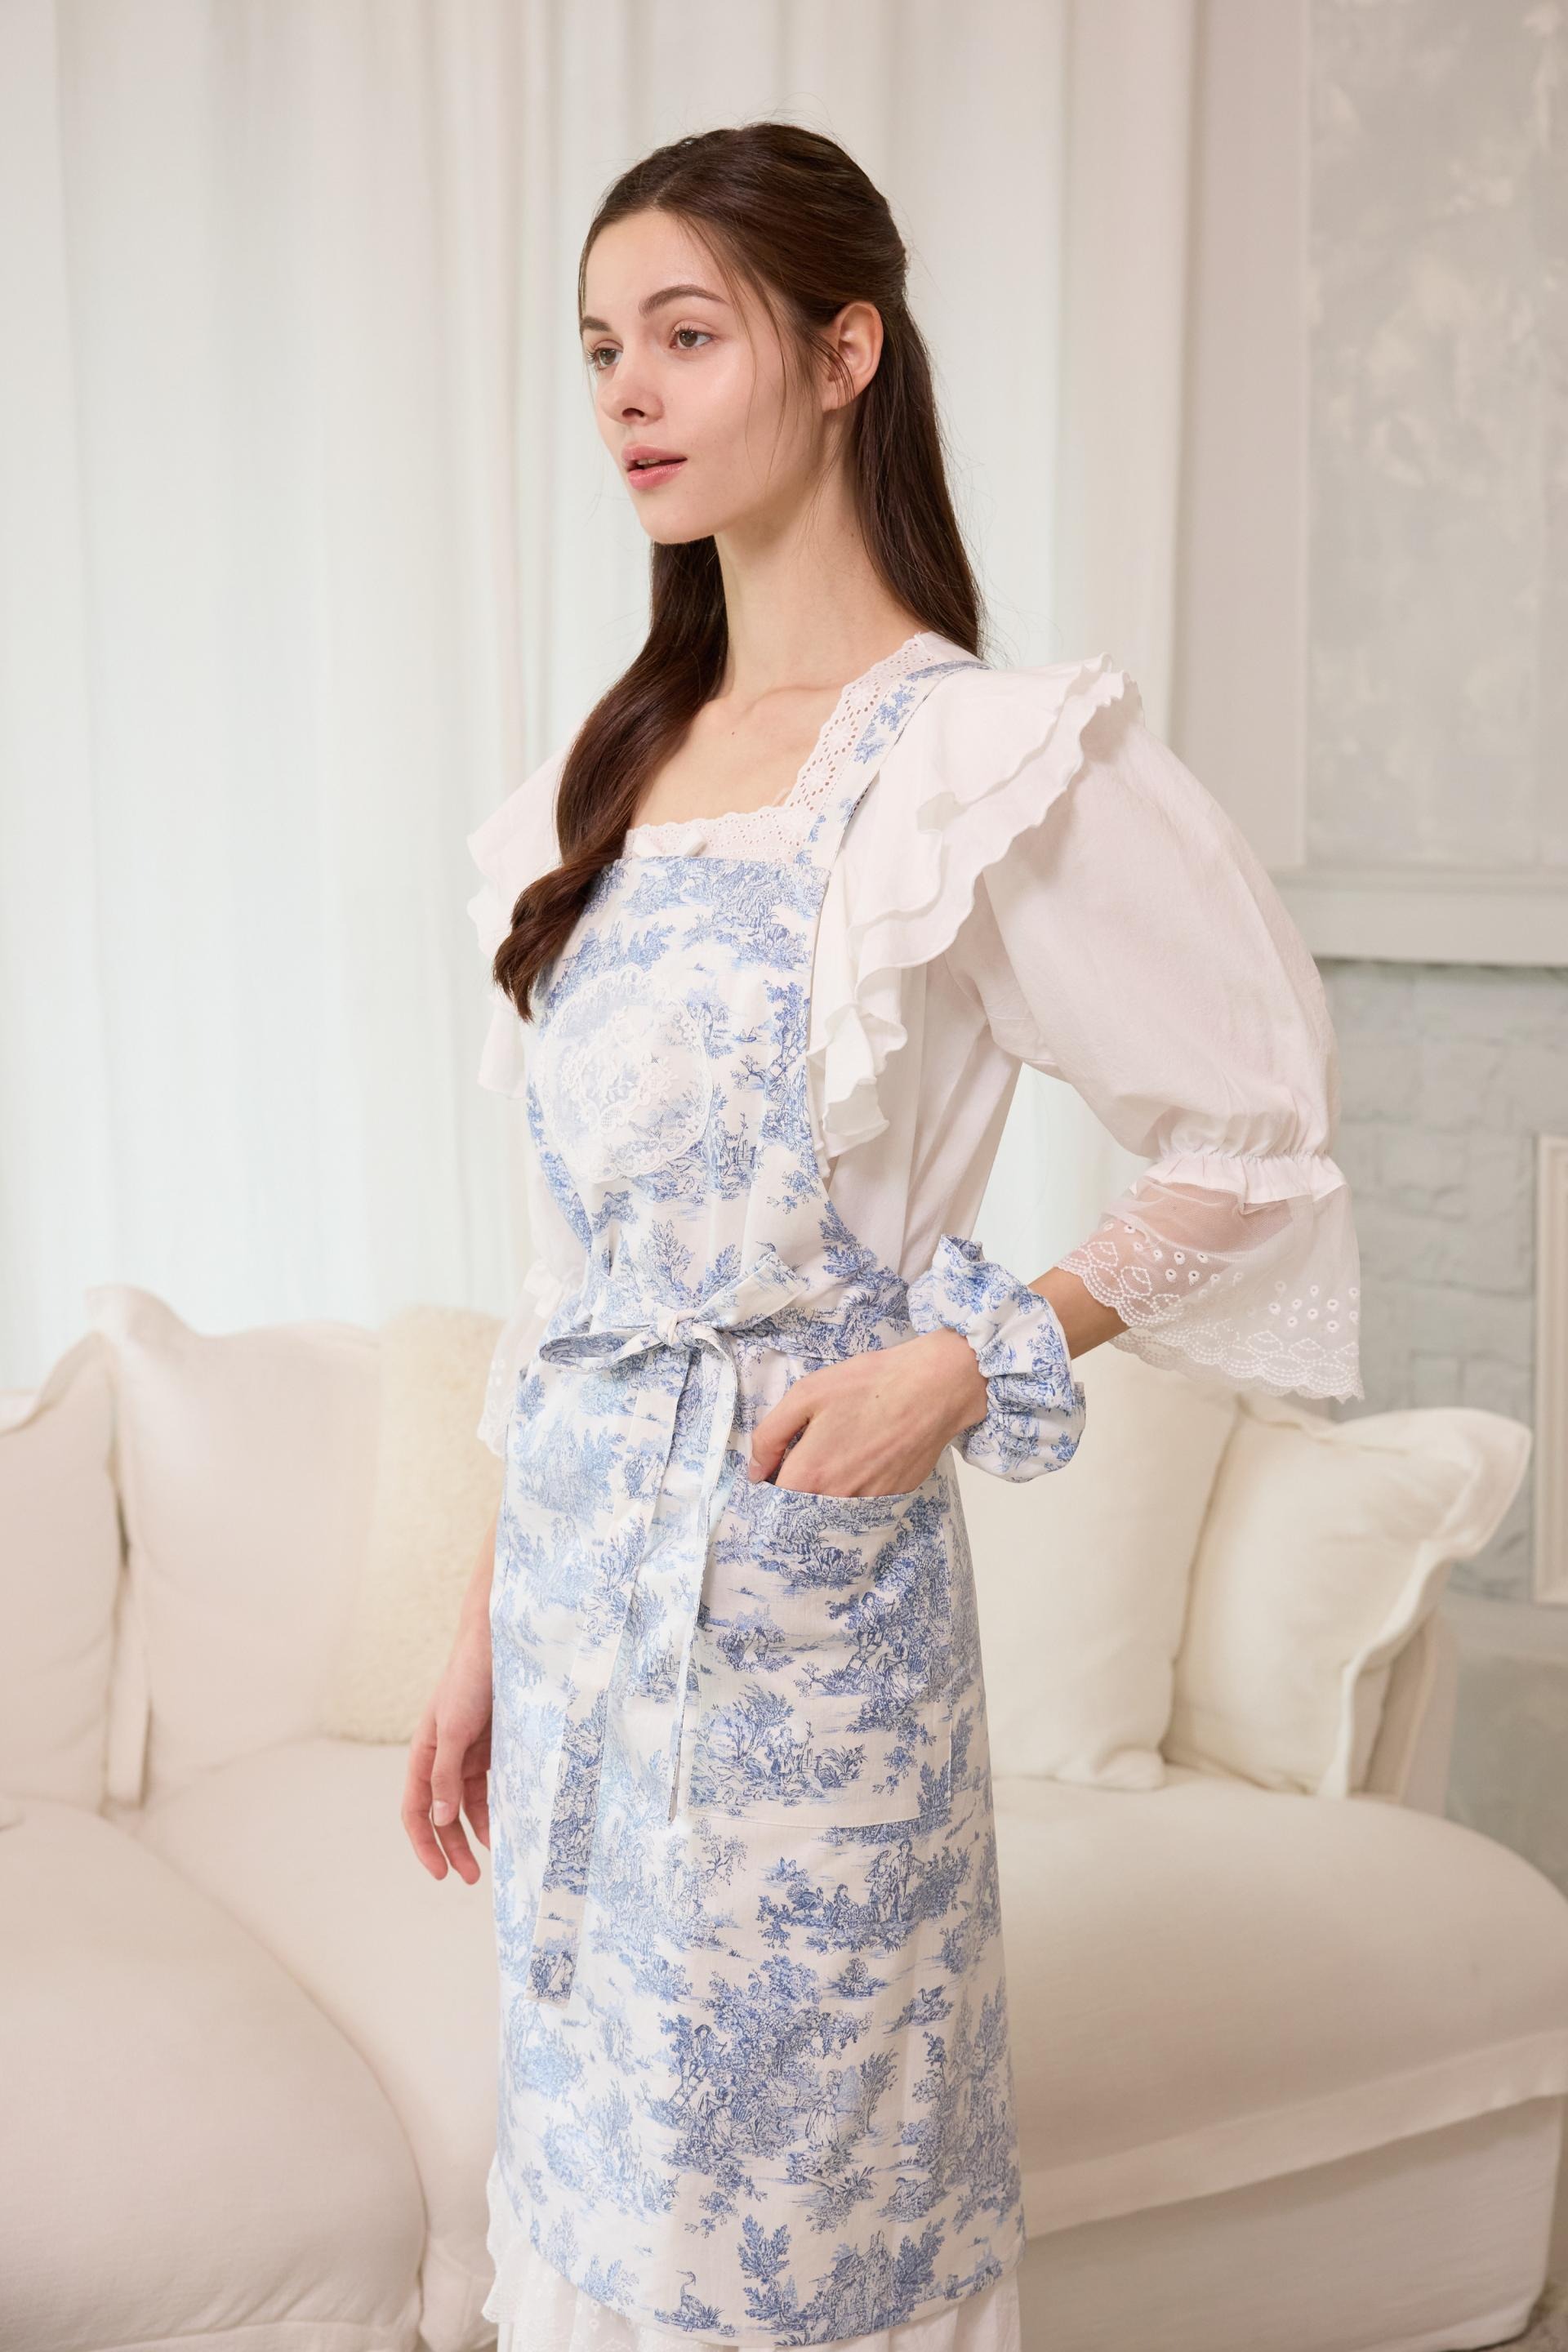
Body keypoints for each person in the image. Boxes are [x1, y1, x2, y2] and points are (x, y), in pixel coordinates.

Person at [402, 120, 1364, 2352]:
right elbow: (571, 1287)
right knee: (599, 2208)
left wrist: (970, 1356)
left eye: (685, 335)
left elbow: (1260, 1138)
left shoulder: (977, 762)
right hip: (579, 1600)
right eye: (599, 350)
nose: (628, 395)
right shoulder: (607, 776)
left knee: (805, 2233)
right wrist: (482, 1621)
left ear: (845, 354)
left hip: (804, 1619)